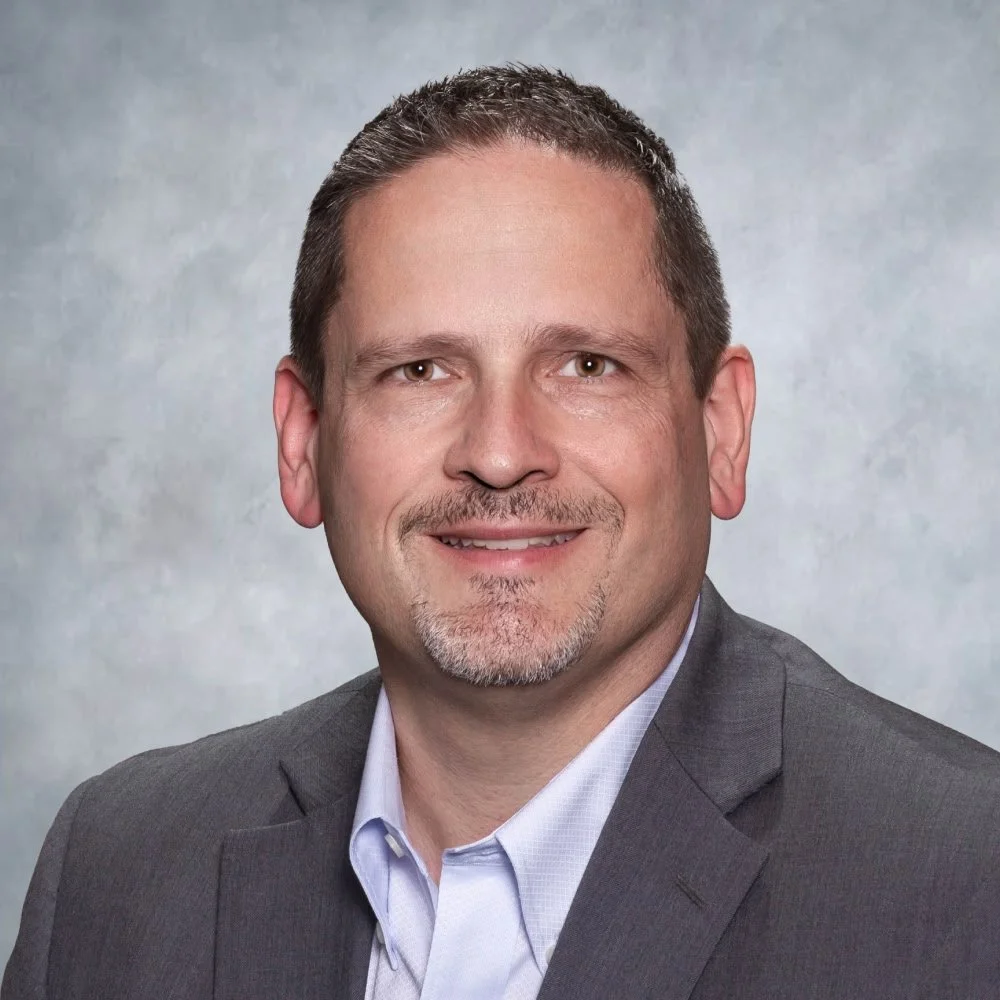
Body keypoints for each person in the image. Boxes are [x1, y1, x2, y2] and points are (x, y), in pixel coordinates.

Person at [4, 64, 999, 1000]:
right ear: (303, 442)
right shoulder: (115, 872)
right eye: (419, 371)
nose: (499, 449)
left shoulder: (962, 882)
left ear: (719, 428)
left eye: (588, 367)